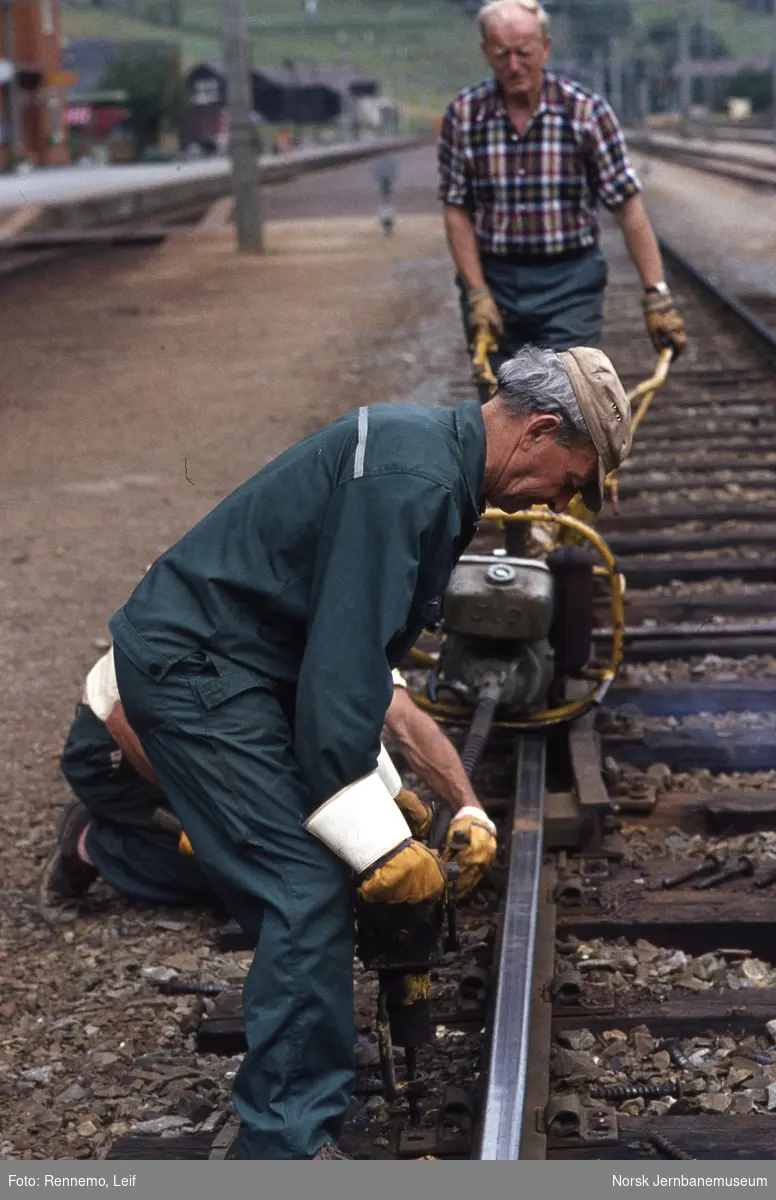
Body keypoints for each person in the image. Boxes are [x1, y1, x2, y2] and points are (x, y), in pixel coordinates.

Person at [60, 343, 632, 1160]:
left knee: (327, 863)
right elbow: (336, 676)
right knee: (302, 891)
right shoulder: (418, 483)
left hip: (238, 668)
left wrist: (389, 792)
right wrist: (372, 837)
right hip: (203, 675)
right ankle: (285, 1149)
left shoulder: (430, 457)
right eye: (571, 478)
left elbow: (355, 662)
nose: (561, 499)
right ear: (539, 430)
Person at [42, 663, 487, 909]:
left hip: (207, 735)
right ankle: (89, 841)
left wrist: (470, 809)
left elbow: (405, 721)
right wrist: (207, 820)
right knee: (248, 875)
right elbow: (124, 718)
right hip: (117, 746)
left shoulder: (346, 623)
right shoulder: (210, 616)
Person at [437, 0, 687, 399]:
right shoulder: (464, 116)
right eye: (502, 55)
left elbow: (627, 205)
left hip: (570, 282)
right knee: (504, 406)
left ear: (545, 48)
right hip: (496, 281)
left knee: (569, 402)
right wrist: (477, 292)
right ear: (486, 51)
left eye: (525, 53)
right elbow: (456, 209)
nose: (514, 66)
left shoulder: (585, 113)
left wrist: (657, 295)